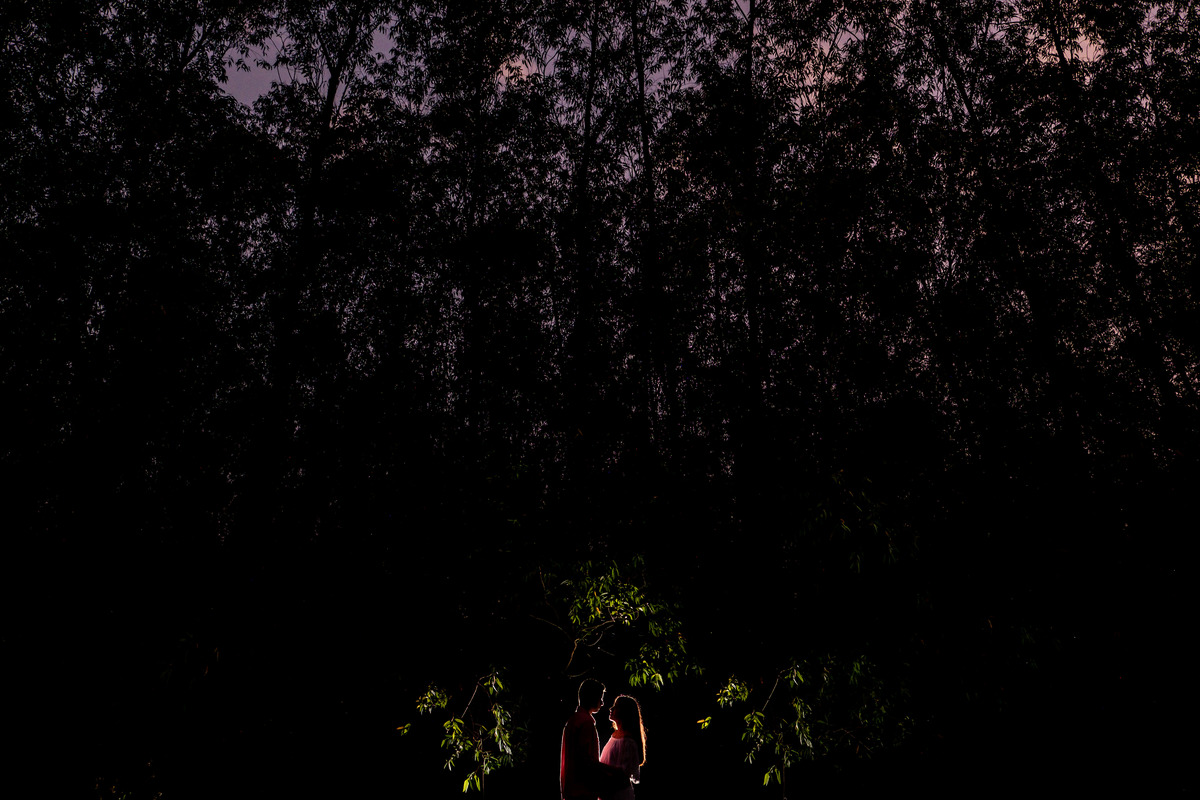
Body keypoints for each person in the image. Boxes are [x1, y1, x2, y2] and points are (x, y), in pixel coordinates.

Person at [560, 680, 627, 800]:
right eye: (600, 698)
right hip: (583, 790)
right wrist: (614, 771)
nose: (602, 703)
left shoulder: (574, 720)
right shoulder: (585, 723)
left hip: (572, 788)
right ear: (592, 697)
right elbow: (587, 760)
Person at [599, 695, 645, 800]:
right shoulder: (615, 735)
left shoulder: (627, 742)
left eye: (615, 706)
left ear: (624, 712)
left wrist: (597, 765)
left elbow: (623, 775)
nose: (611, 709)